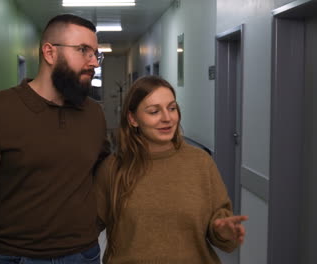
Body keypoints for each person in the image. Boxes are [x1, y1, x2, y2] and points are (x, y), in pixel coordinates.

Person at [0, 14, 110, 264]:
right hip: (16, 257)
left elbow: (104, 170)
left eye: (95, 53)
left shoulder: (94, 114)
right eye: (83, 50)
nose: (94, 62)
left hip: (84, 254)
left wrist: (95, 224)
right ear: (49, 53)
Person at [95, 76, 248, 263]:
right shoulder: (113, 168)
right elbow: (86, 230)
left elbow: (223, 234)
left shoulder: (201, 163)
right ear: (133, 119)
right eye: (154, 111)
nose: (167, 118)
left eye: (172, 108)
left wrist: (224, 231)